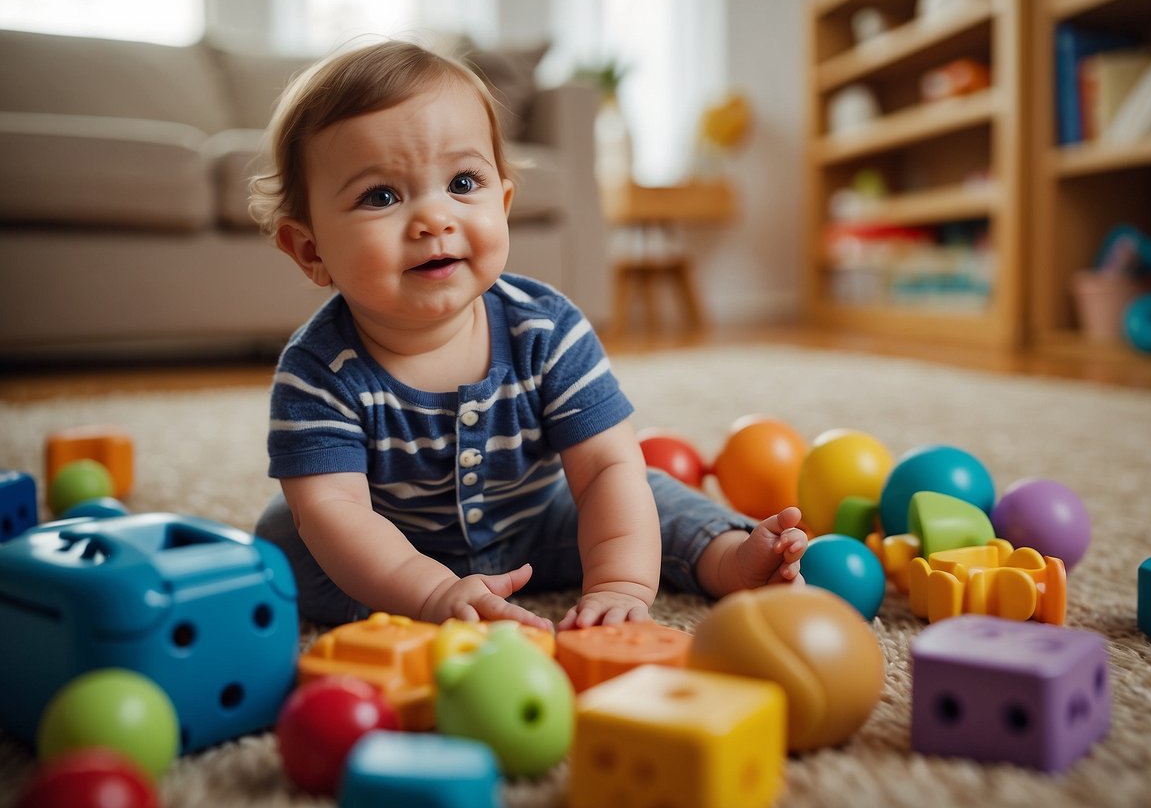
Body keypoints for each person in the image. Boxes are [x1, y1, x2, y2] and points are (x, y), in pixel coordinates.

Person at [249, 40, 807, 632]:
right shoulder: (318, 373)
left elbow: (602, 470)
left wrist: (621, 583)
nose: (435, 219)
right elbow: (340, 514)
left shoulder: (545, 328)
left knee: (640, 488)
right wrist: (431, 592)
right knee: (290, 536)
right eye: (381, 196)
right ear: (310, 250)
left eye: (463, 183)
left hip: (542, 523)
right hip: (391, 544)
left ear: (504, 203)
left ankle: (728, 559)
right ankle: (411, 600)